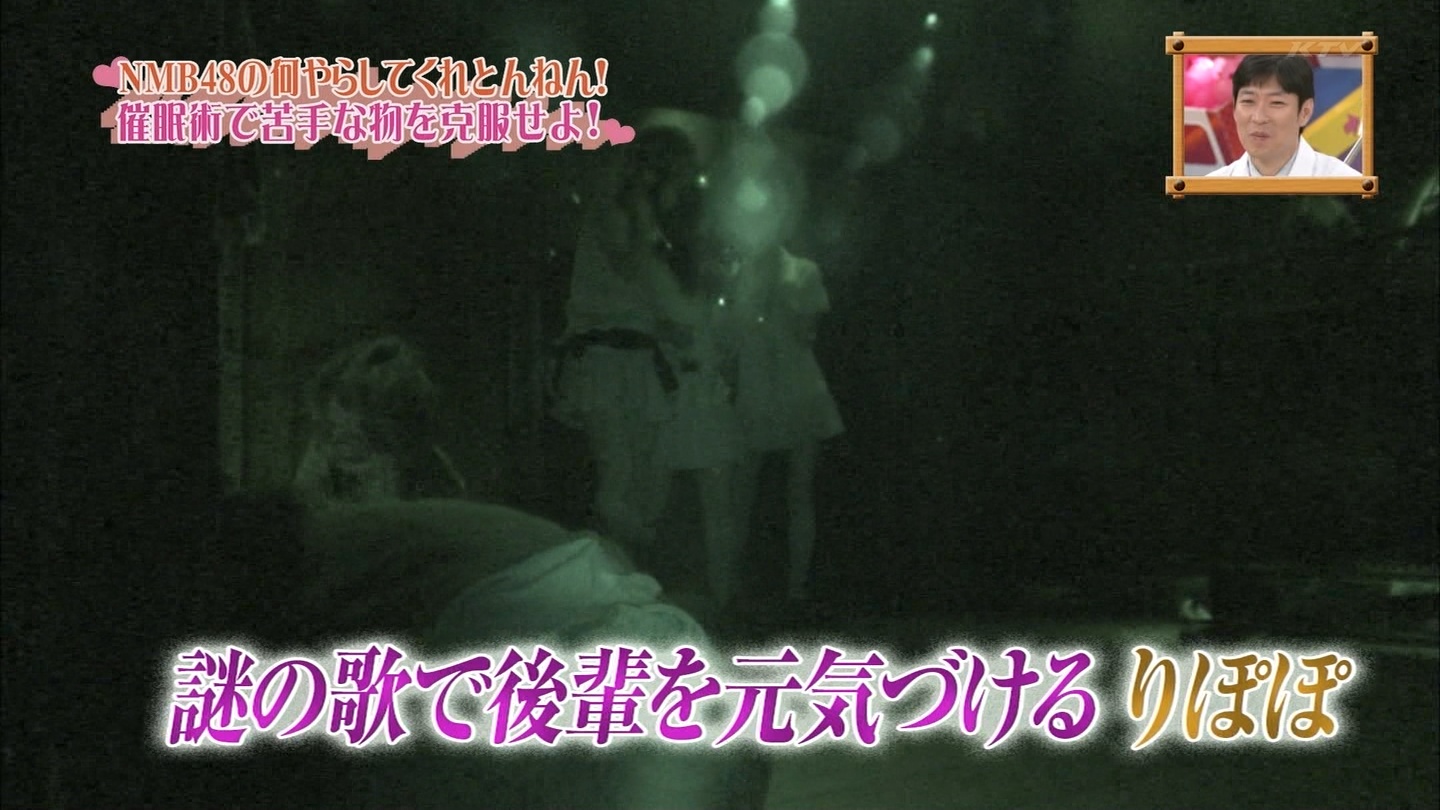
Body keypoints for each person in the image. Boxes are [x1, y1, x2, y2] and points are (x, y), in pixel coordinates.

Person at [288, 337, 770, 809]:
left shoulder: (409, 522)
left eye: (352, 444)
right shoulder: (415, 532)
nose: (335, 457)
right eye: (326, 437)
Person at [551, 125, 708, 552]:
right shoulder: (616, 214)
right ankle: (603, 562)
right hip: (605, 357)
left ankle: (624, 564)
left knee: (646, 475)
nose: (685, 189)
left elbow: (653, 301)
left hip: (637, 359)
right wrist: (642, 213)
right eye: (681, 177)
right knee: (619, 475)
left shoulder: (643, 223)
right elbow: (633, 274)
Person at [726, 244, 844, 605]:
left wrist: (779, 297)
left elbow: (807, 334)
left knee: (799, 490)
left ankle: (797, 589)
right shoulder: (736, 272)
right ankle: (731, 583)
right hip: (754, 391)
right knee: (740, 493)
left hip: (797, 391)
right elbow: (729, 338)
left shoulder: (803, 270)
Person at [1208, 54, 1362, 178]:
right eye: (1248, 101)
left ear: (1305, 112)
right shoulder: (1211, 188)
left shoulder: (1347, 183)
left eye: (1276, 103)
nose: (1259, 118)